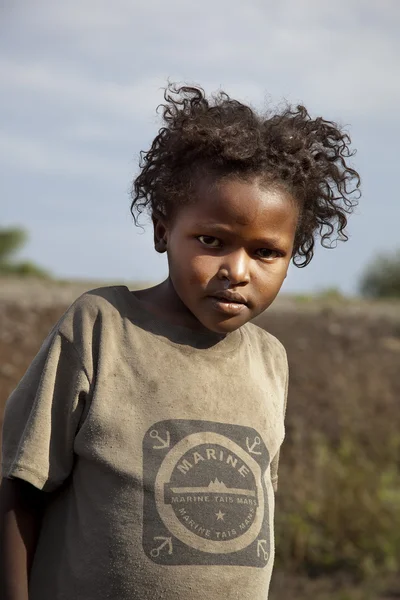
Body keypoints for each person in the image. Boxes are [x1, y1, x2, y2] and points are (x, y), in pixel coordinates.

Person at [0, 84, 360, 600]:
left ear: (292, 255)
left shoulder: (270, 359)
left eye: (265, 252)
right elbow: (22, 488)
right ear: (162, 230)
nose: (236, 271)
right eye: (211, 241)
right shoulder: (102, 328)